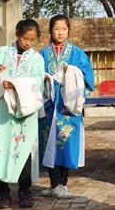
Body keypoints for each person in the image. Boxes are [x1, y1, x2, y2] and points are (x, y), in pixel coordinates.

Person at [0, 19, 45, 209]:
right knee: (0, 149)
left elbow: (37, 82)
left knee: (23, 151)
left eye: (32, 40)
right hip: (2, 112)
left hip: (24, 112)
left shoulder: (37, 59)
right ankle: (3, 192)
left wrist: (15, 85)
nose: (28, 43)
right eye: (26, 38)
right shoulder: (1, 53)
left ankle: (25, 191)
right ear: (17, 33)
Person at [38, 14, 95, 199]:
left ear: (69, 31)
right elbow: (36, 76)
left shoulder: (77, 53)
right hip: (49, 104)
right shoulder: (43, 54)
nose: (60, 32)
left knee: (66, 143)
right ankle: (55, 183)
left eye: (64, 29)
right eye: (56, 29)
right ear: (50, 31)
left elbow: (87, 76)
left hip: (67, 107)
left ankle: (62, 183)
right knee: (48, 143)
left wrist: (71, 73)